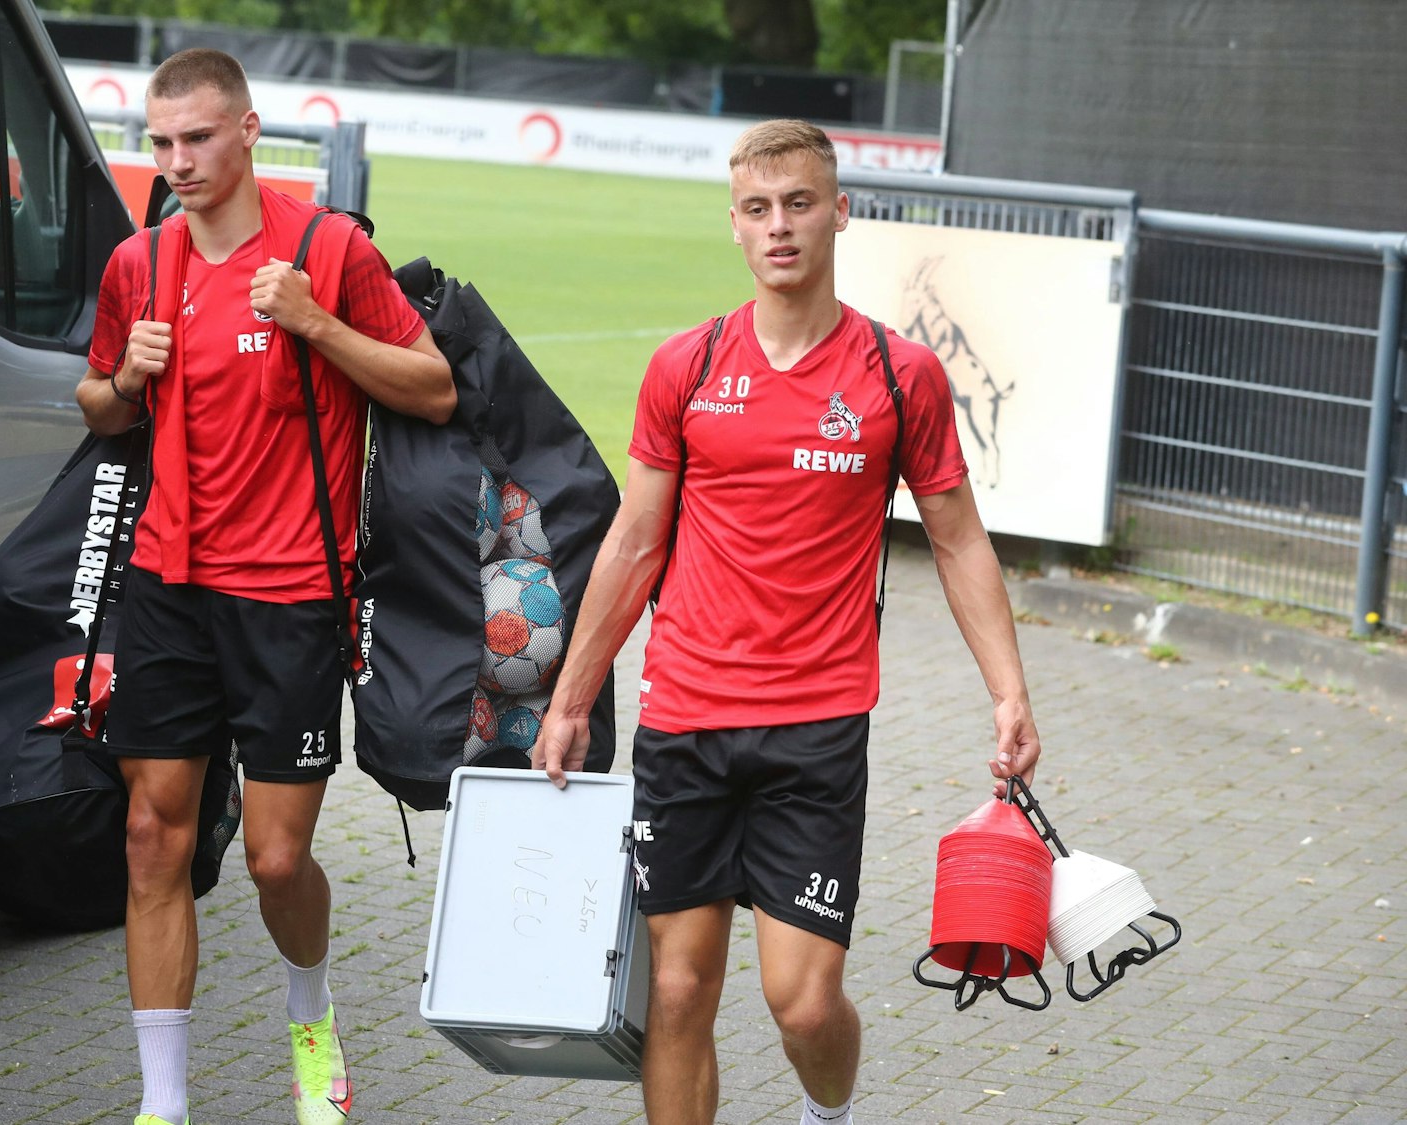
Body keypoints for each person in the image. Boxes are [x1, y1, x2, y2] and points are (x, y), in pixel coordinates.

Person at [532, 119, 1042, 1125]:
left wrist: (1008, 691)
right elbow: (633, 543)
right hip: (683, 717)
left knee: (800, 1005)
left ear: (838, 212)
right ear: (733, 225)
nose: (779, 227)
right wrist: (570, 701)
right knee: (677, 989)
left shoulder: (899, 378)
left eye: (799, 204)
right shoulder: (686, 366)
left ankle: (827, 1114)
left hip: (815, 728)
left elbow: (956, 538)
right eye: (758, 209)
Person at [75, 49, 454, 1125]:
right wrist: (120, 379)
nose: (178, 161)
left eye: (197, 137)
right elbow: (96, 406)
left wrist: (316, 325)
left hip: (290, 593)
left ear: (247, 132)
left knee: (275, 858)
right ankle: (163, 1104)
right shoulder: (137, 263)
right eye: (159, 141)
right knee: (154, 835)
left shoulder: (325, 250)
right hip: (165, 582)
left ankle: (308, 1009)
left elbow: (431, 387)